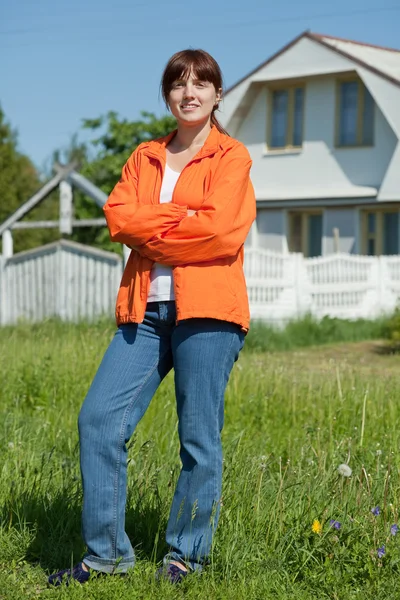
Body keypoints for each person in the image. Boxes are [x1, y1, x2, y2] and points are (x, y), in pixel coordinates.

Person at [48, 48, 256, 587]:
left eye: (200, 83)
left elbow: (221, 233)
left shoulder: (232, 158)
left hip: (208, 310)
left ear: (217, 94)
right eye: (178, 83)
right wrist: (184, 217)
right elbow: (119, 216)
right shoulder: (144, 157)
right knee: (98, 420)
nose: (189, 92)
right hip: (144, 308)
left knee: (198, 438)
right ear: (167, 95)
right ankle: (108, 556)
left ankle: (187, 554)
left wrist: (155, 224)